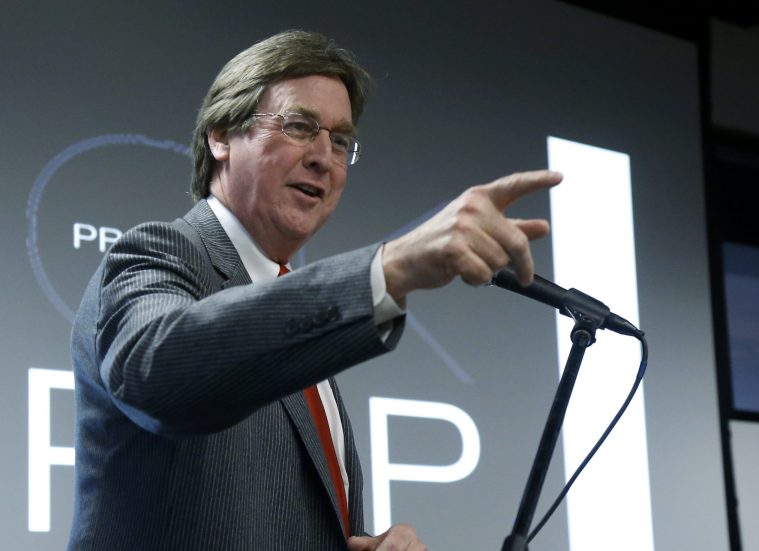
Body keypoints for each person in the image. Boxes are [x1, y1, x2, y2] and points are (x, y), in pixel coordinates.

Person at [68, 30, 562, 550]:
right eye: (300, 126)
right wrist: (389, 269)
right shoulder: (158, 253)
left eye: (341, 140)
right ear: (220, 136)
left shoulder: (293, 312)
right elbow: (158, 374)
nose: (325, 158)